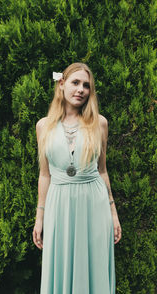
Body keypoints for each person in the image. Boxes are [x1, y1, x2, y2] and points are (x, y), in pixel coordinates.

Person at [32, 62, 122, 294]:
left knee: (93, 268)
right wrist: (39, 218)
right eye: (75, 83)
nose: (81, 89)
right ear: (61, 84)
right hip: (59, 205)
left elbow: (102, 170)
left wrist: (113, 214)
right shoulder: (43, 126)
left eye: (86, 85)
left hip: (94, 205)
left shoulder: (99, 123)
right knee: (60, 266)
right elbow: (45, 174)